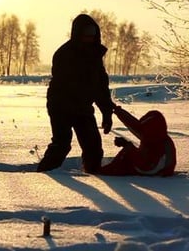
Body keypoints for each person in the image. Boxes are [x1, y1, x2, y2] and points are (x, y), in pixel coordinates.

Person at [37, 14, 115, 174]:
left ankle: (93, 173)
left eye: (93, 31)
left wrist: (107, 112)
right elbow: (67, 85)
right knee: (62, 143)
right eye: (86, 31)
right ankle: (44, 174)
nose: (90, 35)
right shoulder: (64, 54)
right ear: (77, 32)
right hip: (60, 106)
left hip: (82, 108)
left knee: (93, 146)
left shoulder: (95, 56)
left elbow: (100, 87)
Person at [99, 106, 177, 176]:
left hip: (150, 169)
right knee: (127, 154)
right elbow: (134, 125)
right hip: (153, 168)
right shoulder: (155, 134)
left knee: (126, 154)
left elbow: (145, 164)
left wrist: (127, 145)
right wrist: (118, 111)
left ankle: (107, 170)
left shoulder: (158, 142)